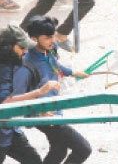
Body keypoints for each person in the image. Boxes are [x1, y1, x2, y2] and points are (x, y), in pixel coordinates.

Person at [0, 24, 59, 163]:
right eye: (21, 47)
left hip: (7, 128)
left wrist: (37, 112)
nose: (25, 51)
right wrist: (40, 91)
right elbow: (5, 101)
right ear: (8, 47)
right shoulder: (2, 68)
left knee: (33, 160)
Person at [23, 16, 91, 163]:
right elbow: (21, 93)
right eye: (47, 38)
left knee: (59, 150)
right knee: (83, 148)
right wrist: (38, 113)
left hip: (55, 109)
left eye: (53, 36)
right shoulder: (27, 62)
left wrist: (72, 72)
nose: (53, 40)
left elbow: (55, 64)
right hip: (45, 115)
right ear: (34, 39)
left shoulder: (50, 49)